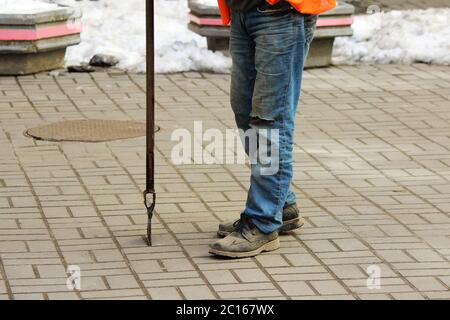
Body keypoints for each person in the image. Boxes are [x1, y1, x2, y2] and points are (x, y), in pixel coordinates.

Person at [209, 0, 336, 258]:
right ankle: (283, 205)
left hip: (279, 13)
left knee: (270, 121)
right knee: (245, 113)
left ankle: (262, 222)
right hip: (242, 11)